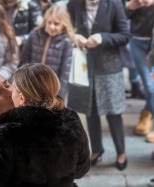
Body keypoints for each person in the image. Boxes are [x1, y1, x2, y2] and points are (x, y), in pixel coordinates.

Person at [0, 63, 90, 187]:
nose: (9, 92)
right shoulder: (71, 119)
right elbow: (81, 169)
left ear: (22, 98)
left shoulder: (5, 135)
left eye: (8, 84)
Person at [67, 0, 130, 170]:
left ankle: (121, 152)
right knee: (90, 110)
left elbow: (125, 35)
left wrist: (102, 38)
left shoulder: (114, 4)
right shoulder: (73, 4)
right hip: (83, 65)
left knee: (113, 111)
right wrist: (75, 37)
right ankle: (96, 149)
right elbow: (68, 27)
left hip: (109, 66)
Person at [20, 5, 75, 98]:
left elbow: (65, 74)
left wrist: (59, 96)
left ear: (63, 25)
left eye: (56, 24)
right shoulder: (34, 35)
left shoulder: (66, 42)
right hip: (31, 85)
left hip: (51, 90)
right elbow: (23, 61)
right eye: (49, 22)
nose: (51, 26)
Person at [125, 0, 154, 141]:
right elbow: (119, 17)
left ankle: (147, 112)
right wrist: (129, 7)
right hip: (137, 41)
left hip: (153, 42)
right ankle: (148, 114)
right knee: (149, 85)